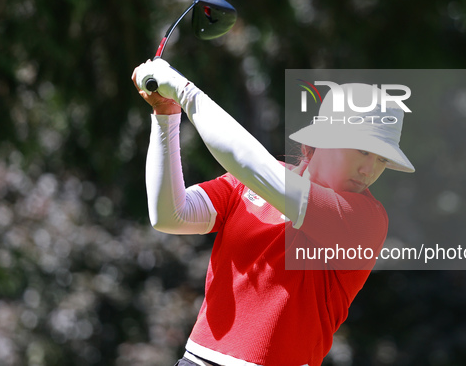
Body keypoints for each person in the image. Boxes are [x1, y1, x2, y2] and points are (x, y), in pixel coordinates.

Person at [131, 59, 415, 366]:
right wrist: (166, 116)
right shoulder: (255, 181)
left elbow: (249, 163)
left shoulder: (365, 218)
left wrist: (185, 92)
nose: (369, 170)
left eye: (382, 160)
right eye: (362, 150)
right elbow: (170, 215)